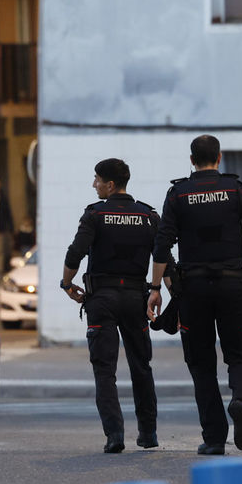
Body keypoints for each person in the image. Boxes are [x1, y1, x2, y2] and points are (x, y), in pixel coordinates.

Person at [146, 135, 242, 455]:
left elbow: (162, 246)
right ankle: (241, 402)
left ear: (192, 160)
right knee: (241, 355)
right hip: (234, 287)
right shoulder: (235, 189)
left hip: (193, 291)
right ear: (218, 158)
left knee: (201, 363)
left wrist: (154, 289)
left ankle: (215, 438)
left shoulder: (177, 193)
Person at [60, 159, 159, 454]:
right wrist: (159, 290)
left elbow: (75, 252)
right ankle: (148, 433)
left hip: (101, 298)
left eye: (97, 180)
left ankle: (115, 435)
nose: (94, 185)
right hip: (135, 298)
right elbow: (164, 257)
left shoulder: (95, 214)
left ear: (110, 185)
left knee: (105, 370)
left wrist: (66, 284)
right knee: (141, 366)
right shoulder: (148, 216)